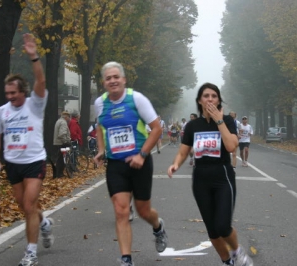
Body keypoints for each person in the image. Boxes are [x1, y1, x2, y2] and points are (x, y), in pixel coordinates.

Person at [167, 83, 253, 266]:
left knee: (223, 226)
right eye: (206, 96)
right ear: (200, 101)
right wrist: (175, 164)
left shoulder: (228, 121)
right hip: (200, 180)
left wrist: (219, 120)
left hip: (223, 177)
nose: (210, 99)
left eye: (214, 96)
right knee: (213, 230)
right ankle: (226, 261)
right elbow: (183, 151)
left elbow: (231, 146)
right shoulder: (192, 126)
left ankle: (237, 251)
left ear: (219, 100)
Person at [0, 33, 55, 266]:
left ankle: (31, 251)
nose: (10, 97)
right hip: (13, 164)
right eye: (7, 94)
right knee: (24, 206)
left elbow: (42, 82)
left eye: (13, 93)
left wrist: (33, 57)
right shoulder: (2, 111)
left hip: (35, 161)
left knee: (29, 204)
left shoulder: (34, 104)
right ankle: (44, 223)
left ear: (23, 91)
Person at [93, 61, 168, 266]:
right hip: (116, 164)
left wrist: (142, 155)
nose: (113, 81)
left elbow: (156, 128)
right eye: (108, 78)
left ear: (123, 80)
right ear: (104, 83)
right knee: (121, 211)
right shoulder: (100, 103)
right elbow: (99, 126)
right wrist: (101, 150)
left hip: (140, 162)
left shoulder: (136, 99)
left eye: (116, 77)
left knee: (144, 211)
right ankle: (126, 259)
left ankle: (158, 226)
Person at [53, 111, 71, 177]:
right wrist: (65, 141)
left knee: (59, 158)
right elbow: (62, 134)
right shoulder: (63, 122)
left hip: (58, 142)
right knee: (61, 159)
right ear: (66, 117)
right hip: (62, 143)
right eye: (69, 117)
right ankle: (59, 173)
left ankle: (59, 173)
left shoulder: (58, 121)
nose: (69, 119)